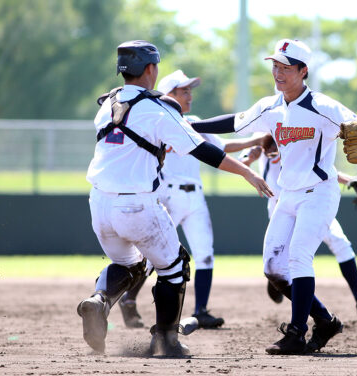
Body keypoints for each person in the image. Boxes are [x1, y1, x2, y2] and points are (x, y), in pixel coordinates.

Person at [77, 40, 272, 358]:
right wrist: (248, 173)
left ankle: (99, 300)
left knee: (129, 264)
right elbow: (204, 150)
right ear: (151, 69)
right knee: (176, 266)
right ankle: (166, 341)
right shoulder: (156, 109)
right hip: (136, 203)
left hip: (98, 203)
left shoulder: (107, 104)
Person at [188, 39, 357, 355]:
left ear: (303, 71)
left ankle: (296, 333)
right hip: (286, 195)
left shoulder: (324, 107)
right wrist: (190, 124)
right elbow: (234, 122)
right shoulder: (270, 106)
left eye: (286, 67)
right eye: (275, 65)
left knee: (299, 257)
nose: (278, 72)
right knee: (274, 269)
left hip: (318, 194)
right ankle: (325, 320)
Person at [118, 69, 264, 329]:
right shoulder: (158, 120)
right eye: (183, 90)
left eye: (189, 90)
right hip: (167, 194)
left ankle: (201, 311)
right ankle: (128, 299)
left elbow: (220, 147)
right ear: (169, 94)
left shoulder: (194, 121)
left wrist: (257, 141)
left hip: (194, 195)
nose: (189, 95)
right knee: (151, 257)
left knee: (205, 254)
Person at [241, 135, 357, 317]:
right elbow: (241, 163)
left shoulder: (300, 129)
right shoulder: (263, 131)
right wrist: (251, 156)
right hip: (281, 207)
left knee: (340, 242)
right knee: (281, 263)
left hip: (311, 200)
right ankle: (283, 284)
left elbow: (314, 169)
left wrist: (349, 180)